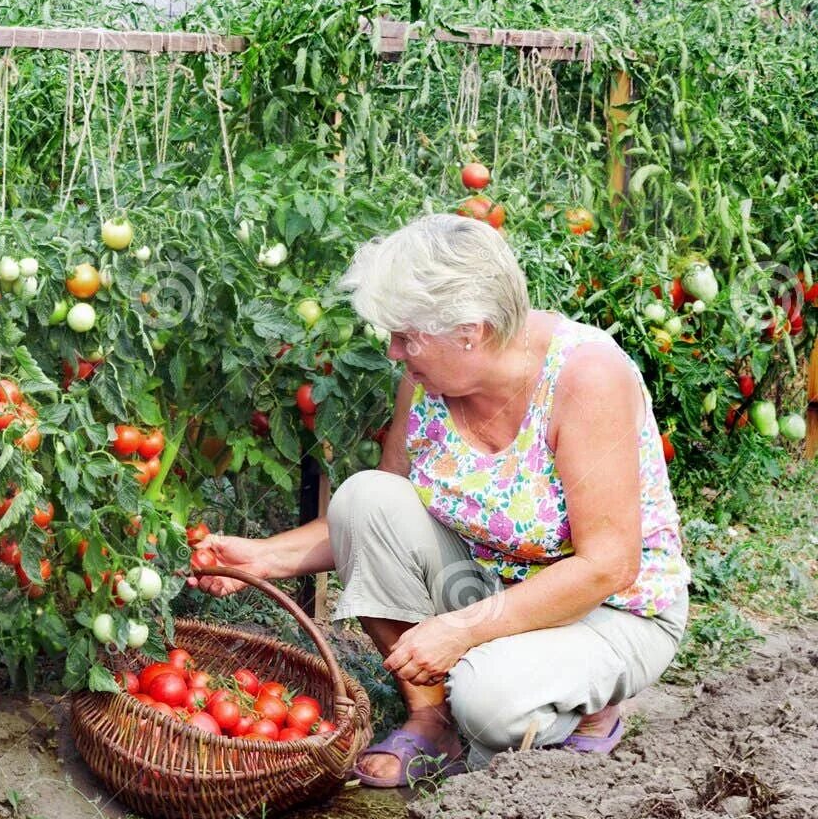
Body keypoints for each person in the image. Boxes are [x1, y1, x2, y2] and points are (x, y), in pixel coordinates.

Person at [193, 214, 690, 786]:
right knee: (365, 497)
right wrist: (261, 559)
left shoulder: (585, 378)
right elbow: (377, 519)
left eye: (406, 337)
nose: (394, 351)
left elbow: (608, 564)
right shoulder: (430, 378)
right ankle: (431, 721)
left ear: (470, 332)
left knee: (488, 700)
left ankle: (588, 707)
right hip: (492, 583)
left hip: (610, 609)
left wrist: (462, 631)